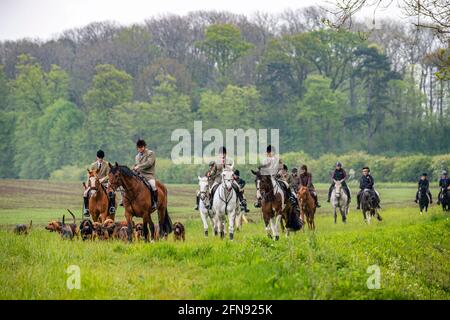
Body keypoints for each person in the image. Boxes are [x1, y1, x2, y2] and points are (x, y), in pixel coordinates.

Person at [83, 150, 115, 217]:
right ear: (97, 157)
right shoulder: (93, 165)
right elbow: (89, 175)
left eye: (101, 158)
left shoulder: (106, 165)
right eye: (99, 158)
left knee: (112, 193)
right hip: (94, 183)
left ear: (103, 158)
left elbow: (108, 175)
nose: (100, 159)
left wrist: (102, 179)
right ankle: (86, 209)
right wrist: (87, 184)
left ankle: (112, 207)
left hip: (104, 183)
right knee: (85, 193)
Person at [133, 139, 158, 210]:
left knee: (153, 185)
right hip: (139, 175)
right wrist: (133, 168)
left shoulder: (150, 153)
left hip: (148, 175)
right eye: (138, 148)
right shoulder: (137, 156)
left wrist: (139, 166)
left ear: (144, 147)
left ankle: (154, 202)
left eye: (141, 147)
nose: (140, 149)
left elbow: (149, 163)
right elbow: (136, 165)